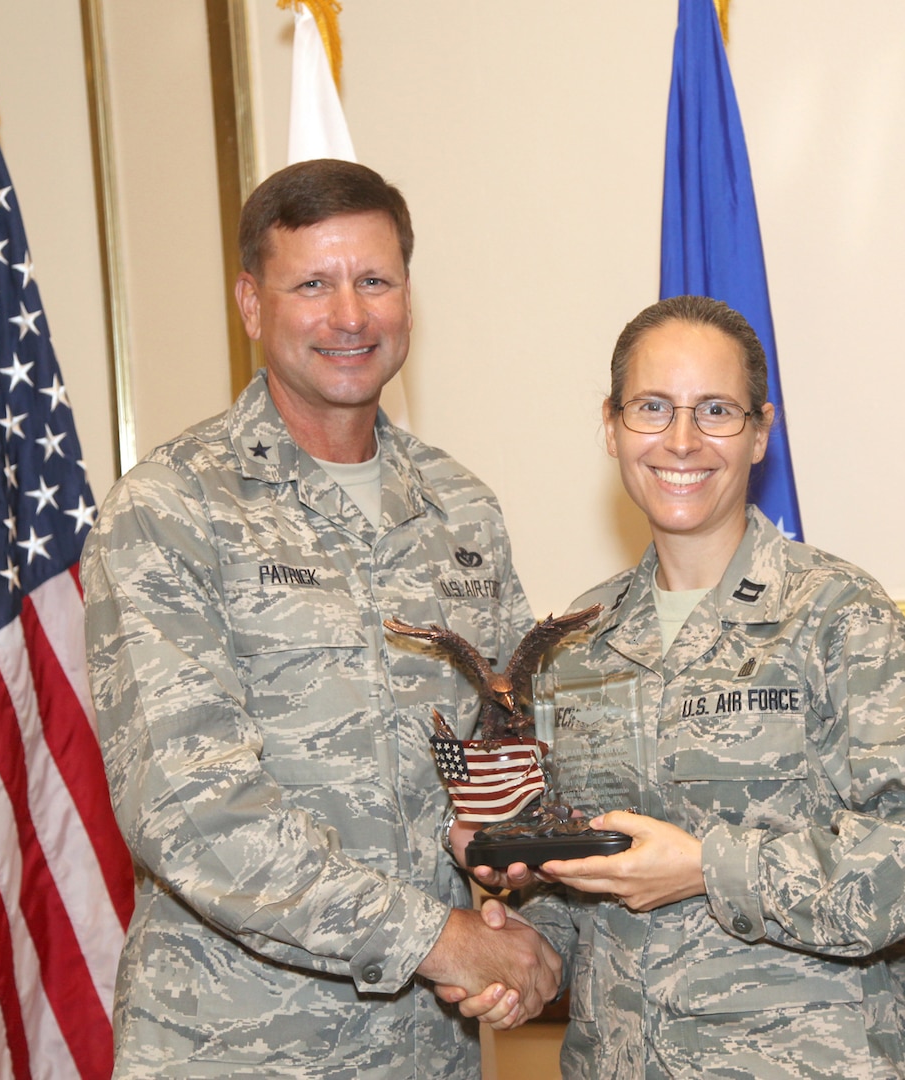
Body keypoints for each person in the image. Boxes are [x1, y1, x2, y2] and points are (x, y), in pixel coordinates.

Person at [82, 158, 560, 1078]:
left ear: (408, 297)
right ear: (253, 304)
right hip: (236, 1048)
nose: (351, 315)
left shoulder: (461, 507)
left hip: (430, 1047)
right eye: (313, 284)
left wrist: (511, 890)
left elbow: (505, 749)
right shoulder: (171, 509)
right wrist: (440, 939)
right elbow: (191, 809)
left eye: (375, 280)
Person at [469, 295, 905, 1077]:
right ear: (610, 427)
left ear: (760, 432)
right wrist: (525, 950)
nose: (681, 440)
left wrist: (711, 867)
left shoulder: (836, 615)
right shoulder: (571, 644)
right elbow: (582, 887)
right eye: (652, 408)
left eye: (715, 410)